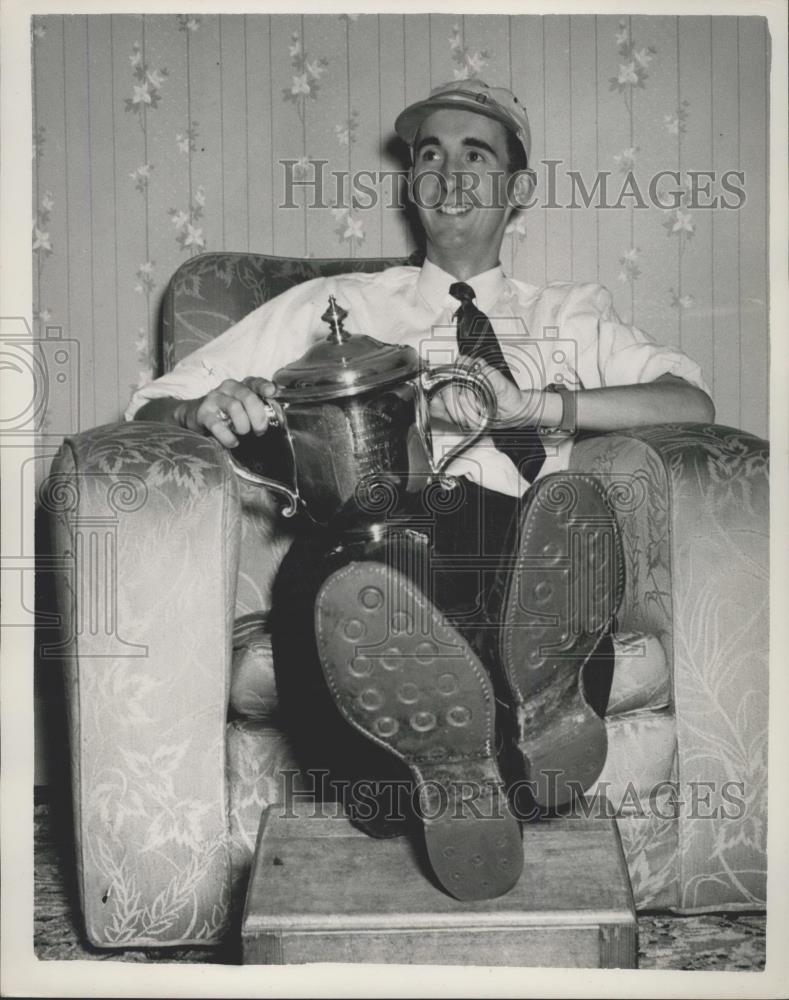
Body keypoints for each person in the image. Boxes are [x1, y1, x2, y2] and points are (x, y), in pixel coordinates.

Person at [127, 80, 714, 902]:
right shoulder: (335, 305)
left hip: (513, 537)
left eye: (476, 155)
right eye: (428, 155)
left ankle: (504, 733)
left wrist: (536, 405)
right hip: (363, 539)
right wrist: (204, 405)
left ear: (518, 189)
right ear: (410, 183)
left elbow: (688, 403)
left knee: (524, 535)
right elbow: (154, 402)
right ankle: (497, 758)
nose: (446, 172)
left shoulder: (569, 311)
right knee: (350, 584)